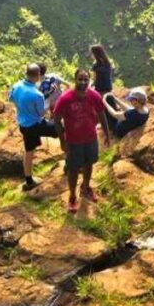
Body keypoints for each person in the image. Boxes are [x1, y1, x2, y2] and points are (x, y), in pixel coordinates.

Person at [53, 68, 111, 213]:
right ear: (75, 79)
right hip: (73, 141)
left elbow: (101, 113)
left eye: (86, 79)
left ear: (89, 80)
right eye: (80, 79)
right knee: (73, 169)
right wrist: (62, 140)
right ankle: (72, 196)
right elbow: (56, 119)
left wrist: (107, 133)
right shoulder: (66, 98)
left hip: (90, 138)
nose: (83, 82)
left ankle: (85, 187)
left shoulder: (94, 96)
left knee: (89, 164)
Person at [9, 64, 58, 190]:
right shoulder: (37, 95)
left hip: (23, 124)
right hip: (36, 125)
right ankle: (72, 164)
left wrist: (23, 109)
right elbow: (41, 113)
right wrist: (50, 99)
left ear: (26, 73)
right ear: (38, 76)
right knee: (61, 129)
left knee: (29, 150)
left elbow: (12, 99)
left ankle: (29, 180)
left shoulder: (16, 85)